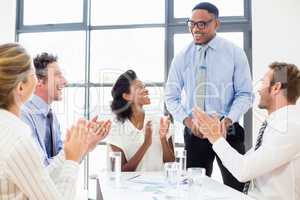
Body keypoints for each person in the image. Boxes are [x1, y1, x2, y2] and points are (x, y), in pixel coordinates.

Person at [0, 43, 110, 199]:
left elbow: (39, 177)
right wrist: (71, 159)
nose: (65, 81)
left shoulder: (11, 126)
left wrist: (83, 146)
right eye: (32, 74)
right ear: (20, 88)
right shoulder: (19, 136)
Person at [165, 2, 253, 191]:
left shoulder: (234, 53)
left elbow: (245, 94)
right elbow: (171, 97)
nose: (196, 29)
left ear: (216, 24)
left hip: (227, 131)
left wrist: (227, 121)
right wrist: (188, 122)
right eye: (192, 24)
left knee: (237, 187)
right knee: (194, 189)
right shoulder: (181, 57)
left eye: (202, 24)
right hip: (194, 132)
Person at [193, 62, 300, 200]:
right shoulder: (276, 124)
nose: (259, 90)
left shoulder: (289, 127)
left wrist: (216, 139)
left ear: (276, 88)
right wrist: (221, 139)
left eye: (262, 83)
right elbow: (246, 162)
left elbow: (243, 171)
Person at [21, 52, 109, 165]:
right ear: (39, 81)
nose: (65, 82)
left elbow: (64, 164)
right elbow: (41, 169)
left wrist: (86, 143)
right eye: (58, 75)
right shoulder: (23, 115)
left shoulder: (52, 118)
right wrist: (76, 145)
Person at [107, 70, 175, 171]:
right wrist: (146, 144)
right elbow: (120, 171)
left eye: (144, 86)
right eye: (139, 87)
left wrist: (163, 138)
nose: (146, 90)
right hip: (130, 186)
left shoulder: (160, 122)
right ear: (127, 96)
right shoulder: (116, 130)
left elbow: (171, 163)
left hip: (160, 185)